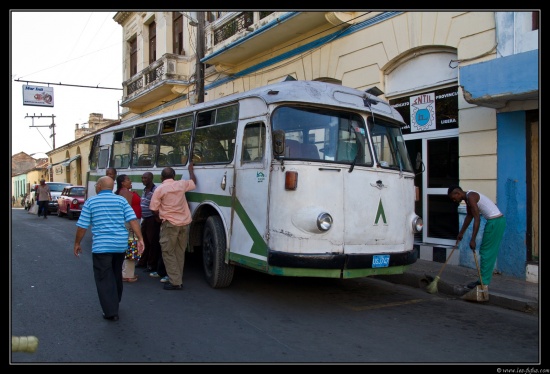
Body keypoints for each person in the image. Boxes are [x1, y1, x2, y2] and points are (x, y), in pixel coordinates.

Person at [73, 176, 144, 321]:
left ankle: (111, 311)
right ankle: (115, 301)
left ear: (99, 186)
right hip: (119, 246)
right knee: (116, 273)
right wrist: (140, 238)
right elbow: (133, 219)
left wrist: (77, 243)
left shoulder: (91, 202)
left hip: (102, 247)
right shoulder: (121, 200)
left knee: (104, 278)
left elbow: (82, 226)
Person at [447, 185, 506, 288]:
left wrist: (473, 239)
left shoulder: (471, 197)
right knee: (486, 252)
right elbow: (469, 216)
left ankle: (483, 283)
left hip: (495, 222)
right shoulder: (468, 197)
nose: (454, 200)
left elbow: (477, 218)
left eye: (453, 198)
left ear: (458, 193)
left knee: (486, 252)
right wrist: (461, 233)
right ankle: (482, 281)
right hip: (496, 221)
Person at [150, 163, 196, 290]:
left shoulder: (160, 189)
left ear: (161, 178)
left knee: (168, 252)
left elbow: (153, 208)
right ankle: (178, 277)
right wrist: (191, 170)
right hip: (184, 224)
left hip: (170, 224)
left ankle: (175, 281)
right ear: (174, 176)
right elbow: (193, 182)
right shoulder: (181, 184)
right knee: (179, 252)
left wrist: (159, 218)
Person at [115, 174, 142, 282]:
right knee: (131, 247)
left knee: (128, 247)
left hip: (129, 223)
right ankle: (128, 275)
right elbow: (127, 210)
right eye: (128, 180)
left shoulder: (124, 192)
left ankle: (125, 272)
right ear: (122, 183)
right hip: (130, 223)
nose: (130, 181)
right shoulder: (125, 192)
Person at [136, 172, 163, 273]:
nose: (143, 180)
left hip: (152, 218)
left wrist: (156, 217)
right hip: (145, 218)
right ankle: (143, 261)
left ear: (151, 179)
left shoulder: (155, 190)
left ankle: (152, 265)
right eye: (142, 178)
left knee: (153, 242)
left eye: (145, 178)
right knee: (145, 241)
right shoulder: (144, 190)